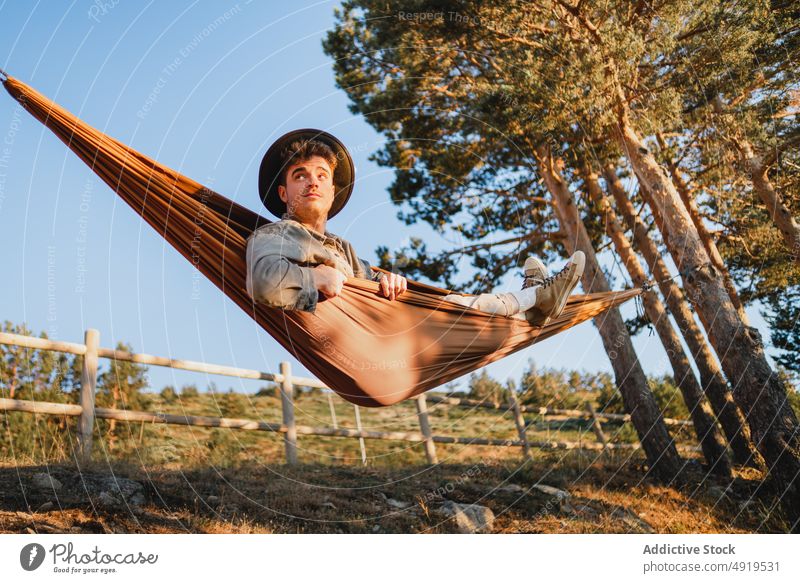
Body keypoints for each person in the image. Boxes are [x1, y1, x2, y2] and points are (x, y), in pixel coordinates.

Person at [245, 129, 584, 326]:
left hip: (387, 330)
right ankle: (535, 297)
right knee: (453, 310)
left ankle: (534, 305)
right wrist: (314, 278)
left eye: (321, 175)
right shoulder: (274, 236)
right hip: (365, 344)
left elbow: (371, 279)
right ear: (283, 192)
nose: (312, 183)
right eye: (300, 175)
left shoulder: (343, 248)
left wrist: (387, 280)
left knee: (456, 307)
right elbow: (262, 282)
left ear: (333, 191)